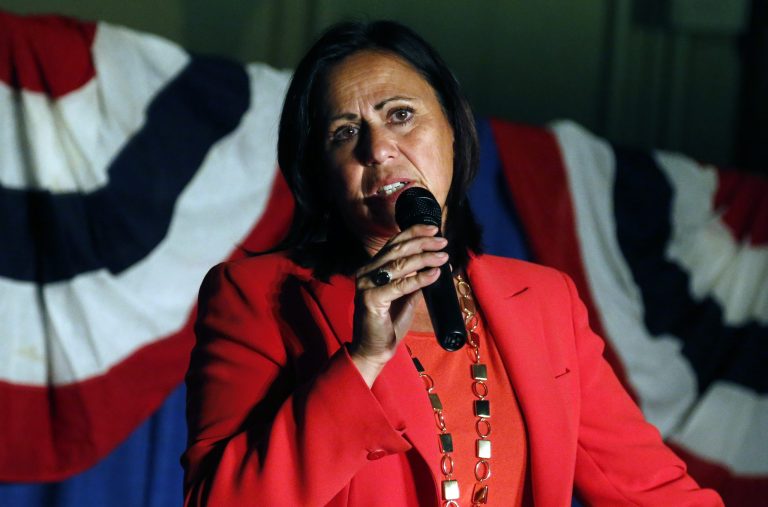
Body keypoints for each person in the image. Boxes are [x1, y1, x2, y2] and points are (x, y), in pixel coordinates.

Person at [182, 20, 723, 507]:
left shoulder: (546, 303)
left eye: (400, 115)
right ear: (321, 174)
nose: (378, 148)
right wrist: (363, 362)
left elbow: (650, 491)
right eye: (344, 133)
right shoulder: (257, 297)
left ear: (454, 132)